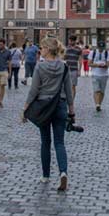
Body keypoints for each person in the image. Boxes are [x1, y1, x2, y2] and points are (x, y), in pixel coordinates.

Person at [22, 36, 74, 192]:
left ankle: (45, 175)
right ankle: (63, 172)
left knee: (45, 142)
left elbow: (33, 91)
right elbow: (68, 90)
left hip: (44, 107)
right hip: (60, 106)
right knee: (59, 142)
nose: (40, 50)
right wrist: (71, 110)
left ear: (48, 49)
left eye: (42, 47)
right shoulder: (64, 67)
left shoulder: (40, 67)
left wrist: (24, 109)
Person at [89, 42, 109, 111]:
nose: (101, 49)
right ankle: (97, 105)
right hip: (95, 74)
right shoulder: (92, 53)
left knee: (102, 91)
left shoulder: (107, 53)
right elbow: (89, 64)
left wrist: (105, 66)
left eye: (102, 48)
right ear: (97, 47)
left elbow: (108, 64)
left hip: (104, 75)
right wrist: (97, 65)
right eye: (99, 48)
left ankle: (99, 104)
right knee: (96, 90)